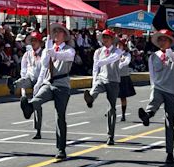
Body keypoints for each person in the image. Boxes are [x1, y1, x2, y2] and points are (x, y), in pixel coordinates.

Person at [20, 23, 75, 159]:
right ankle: (29, 107)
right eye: (54, 32)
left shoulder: (69, 50)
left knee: (60, 116)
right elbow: (44, 64)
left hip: (62, 85)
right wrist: (48, 49)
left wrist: (52, 51)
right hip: (49, 82)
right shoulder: (48, 49)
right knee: (39, 98)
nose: (56, 34)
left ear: (64, 35)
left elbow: (63, 57)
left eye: (59, 32)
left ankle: (61, 148)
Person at [138, 29, 174, 164]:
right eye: (160, 40)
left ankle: (170, 152)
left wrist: (169, 52)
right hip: (159, 87)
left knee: (169, 121)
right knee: (154, 101)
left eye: (165, 40)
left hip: (173, 90)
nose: (162, 42)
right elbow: (152, 75)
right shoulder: (153, 57)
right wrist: (153, 86)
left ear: (170, 42)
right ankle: (147, 115)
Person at [83, 29, 123, 145]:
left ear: (112, 40)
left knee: (111, 108)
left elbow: (112, 59)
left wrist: (101, 62)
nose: (104, 40)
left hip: (113, 80)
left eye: (107, 38)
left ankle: (110, 135)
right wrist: (94, 82)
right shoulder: (98, 52)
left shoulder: (117, 51)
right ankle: (90, 98)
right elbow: (95, 68)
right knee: (95, 90)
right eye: (103, 38)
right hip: (101, 78)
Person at [13, 31, 44, 139]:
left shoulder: (44, 54)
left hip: (41, 79)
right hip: (30, 77)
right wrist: (23, 94)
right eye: (32, 41)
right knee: (22, 81)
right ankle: (13, 86)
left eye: (35, 40)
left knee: (37, 103)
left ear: (40, 42)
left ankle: (38, 130)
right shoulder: (27, 54)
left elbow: (44, 70)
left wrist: (39, 85)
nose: (33, 43)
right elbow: (23, 69)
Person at [117, 38, 136, 121]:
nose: (118, 46)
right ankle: (111, 110)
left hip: (124, 77)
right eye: (118, 45)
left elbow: (127, 62)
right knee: (111, 95)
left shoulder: (127, 54)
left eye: (120, 45)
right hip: (115, 77)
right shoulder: (114, 54)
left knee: (123, 97)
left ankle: (123, 114)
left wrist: (121, 64)